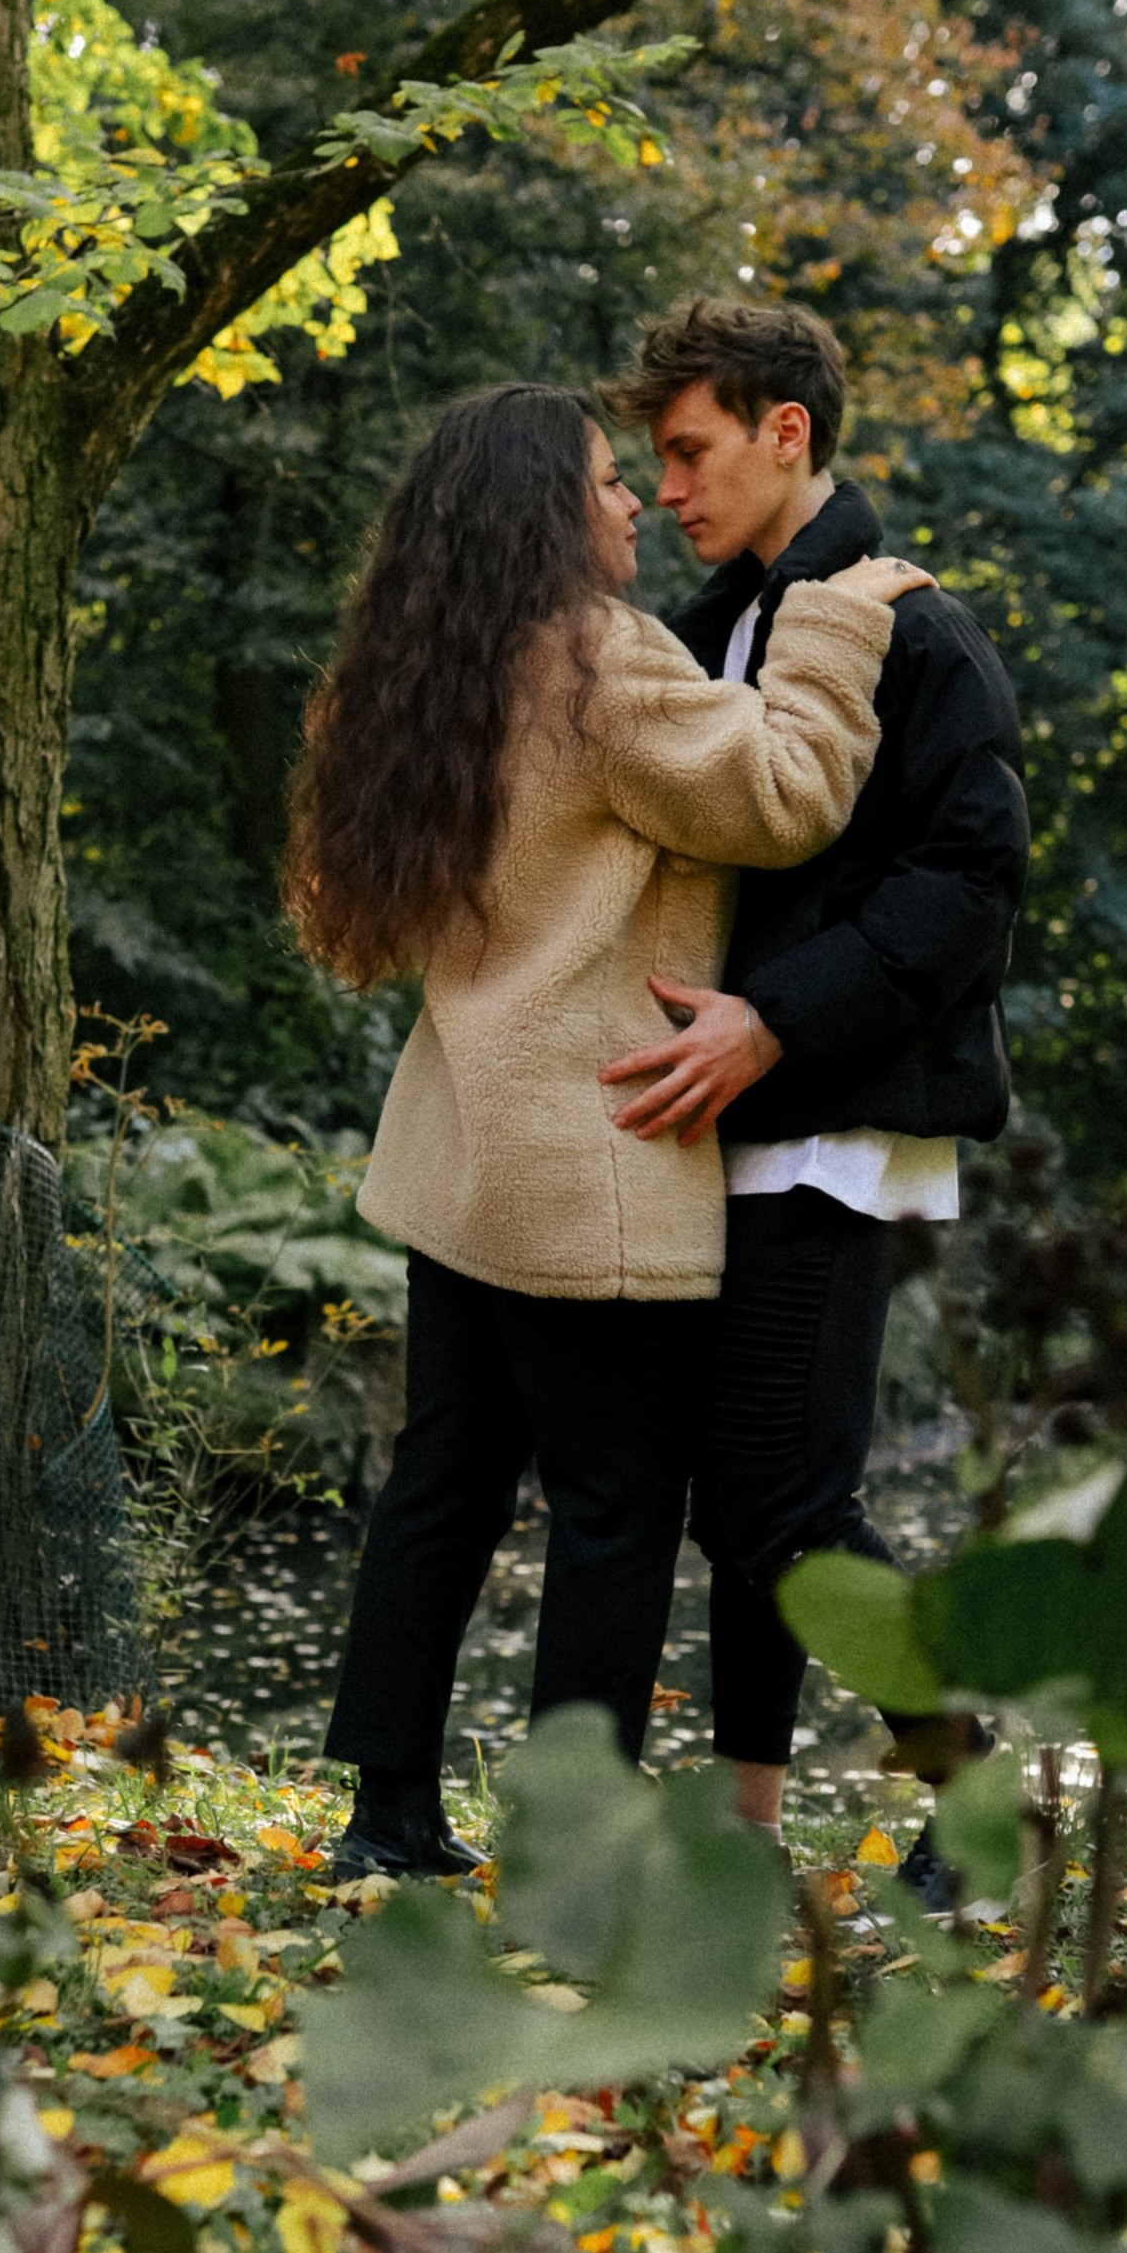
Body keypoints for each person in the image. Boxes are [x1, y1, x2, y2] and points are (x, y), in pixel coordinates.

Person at [283, 378, 933, 1883]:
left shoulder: (428, 673)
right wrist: (835, 625)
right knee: (615, 1508)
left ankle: (387, 1812)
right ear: (542, 514)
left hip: (461, 1152)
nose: (636, 498)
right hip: (590, 1161)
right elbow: (783, 795)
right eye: (604, 480)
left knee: (442, 1484)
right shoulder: (599, 661)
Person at [599, 299, 1029, 1879]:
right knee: (744, 1501)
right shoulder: (710, 628)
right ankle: (746, 1830)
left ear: (788, 433)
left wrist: (774, 1025)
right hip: (722, 1123)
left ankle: (977, 1793)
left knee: (789, 1497)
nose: (672, 489)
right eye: (656, 463)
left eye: (692, 451)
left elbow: (972, 884)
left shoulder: (919, 631)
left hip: (838, 1123)